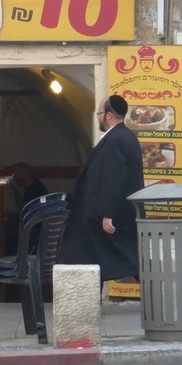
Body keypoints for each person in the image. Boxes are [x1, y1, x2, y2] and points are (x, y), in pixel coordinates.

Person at [61, 95, 144, 285]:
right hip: (113, 212)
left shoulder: (117, 139)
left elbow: (113, 178)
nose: (98, 117)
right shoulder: (124, 136)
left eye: (99, 113)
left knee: (117, 258)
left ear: (108, 115)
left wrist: (107, 214)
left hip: (112, 215)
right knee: (107, 258)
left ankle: (154, 291)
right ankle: (91, 297)